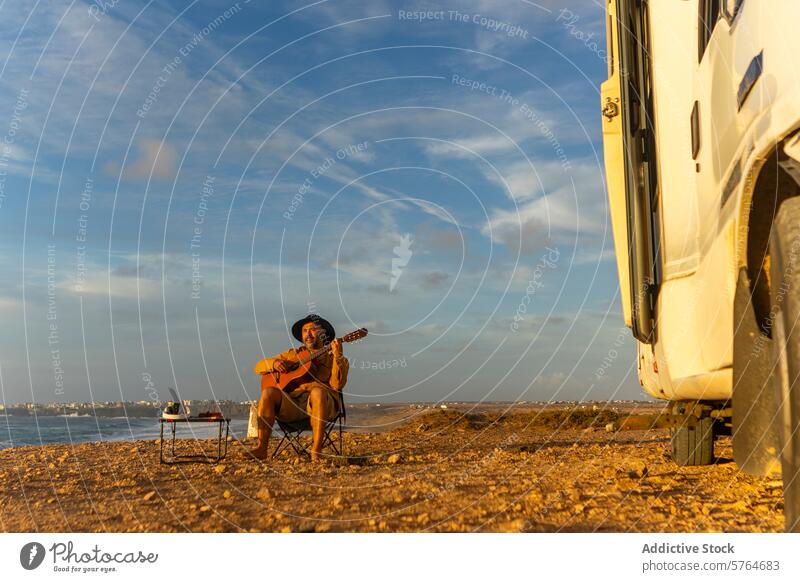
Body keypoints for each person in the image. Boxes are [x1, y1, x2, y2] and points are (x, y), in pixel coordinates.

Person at [248, 314, 349, 462]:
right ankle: (261, 448)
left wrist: (338, 356)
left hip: (322, 407)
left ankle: (316, 450)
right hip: (293, 407)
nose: (308, 334)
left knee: (318, 392)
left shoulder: (335, 358)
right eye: (304, 330)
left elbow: (337, 384)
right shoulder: (293, 354)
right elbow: (258, 367)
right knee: (268, 392)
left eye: (313, 330)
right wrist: (275, 363)